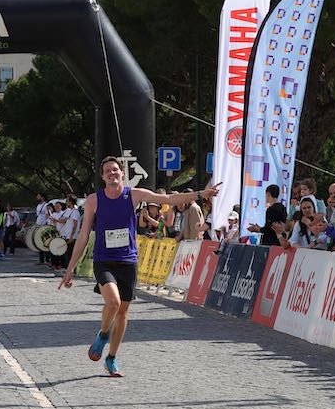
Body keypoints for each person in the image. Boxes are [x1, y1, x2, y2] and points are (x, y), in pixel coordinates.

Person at [59, 156, 220, 377]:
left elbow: (169, 198)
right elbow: (84, 234)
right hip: (104, 260)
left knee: (122, 313)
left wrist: (200, 194)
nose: (112, 173)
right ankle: (103, 335)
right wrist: (70, 268)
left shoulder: (133, 194)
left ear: (122, 173)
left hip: (128, 260)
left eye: (115, 170)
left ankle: (111, 358)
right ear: (103, 176)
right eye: (107, 171)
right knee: (113, 302)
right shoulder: (94, 200)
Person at [34, 193, 50, 266]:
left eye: (39, 196)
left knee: (45, 242)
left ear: (43, 197)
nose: (37, 197)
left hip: (44, 226)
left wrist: (46, 225)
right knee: (39, 243)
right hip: (38, 225)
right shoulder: (38, 206)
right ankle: (41, 260)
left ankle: (47, 259)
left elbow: (47, 215)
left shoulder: (46, 205)